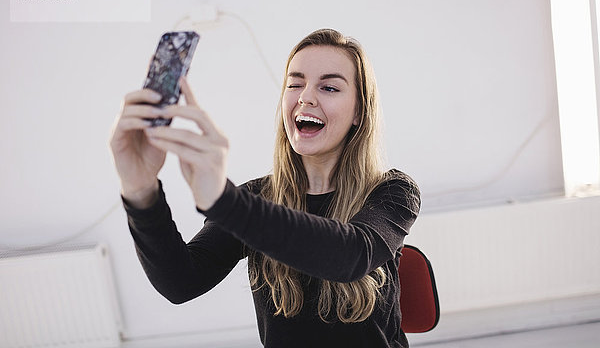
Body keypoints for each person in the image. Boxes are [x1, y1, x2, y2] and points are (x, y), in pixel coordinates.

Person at [109, 28, 420, 348]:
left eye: (328, 87)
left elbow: (353, 256)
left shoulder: (394, 191)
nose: (306, 97)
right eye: (295, 84)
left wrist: (224, 201)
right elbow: (180, 283)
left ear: (358, 111)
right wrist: (139, 190)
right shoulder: (255, 199)